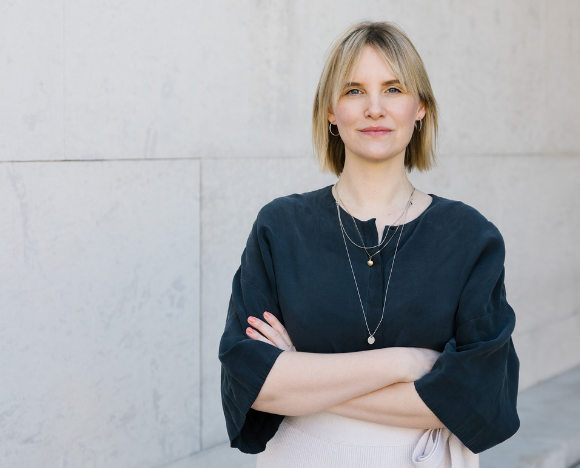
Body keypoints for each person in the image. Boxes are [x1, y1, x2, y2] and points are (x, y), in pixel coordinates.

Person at [219, 20, 520, 468]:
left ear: (420, 108)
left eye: (394, 89)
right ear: (329, 110)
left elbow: (477, 399)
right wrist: (401, 363)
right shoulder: (281, 228)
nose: (374, 108)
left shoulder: (469, 237)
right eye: (354, 90)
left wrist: (302, 375)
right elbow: (250, 381)